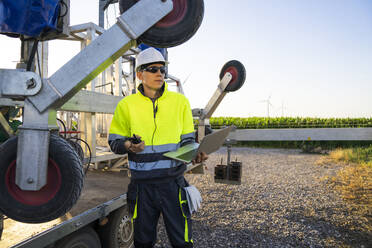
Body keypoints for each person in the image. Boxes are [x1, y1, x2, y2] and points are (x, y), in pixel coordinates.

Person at [108, 47, 208, 248]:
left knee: (182, 242)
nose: (159, 74)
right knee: (143, 242)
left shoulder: (180, 102)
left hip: (173, 184)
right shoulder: (126, 105)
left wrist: (195, 154)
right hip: (141, 187)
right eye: (153, 69)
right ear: (139, 74)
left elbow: (188, 140)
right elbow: (114, 142)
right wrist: (129, 145)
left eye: (163, 70)